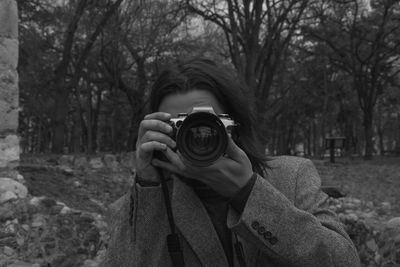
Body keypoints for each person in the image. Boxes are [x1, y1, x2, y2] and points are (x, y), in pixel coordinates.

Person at [101, 58, 360, 267]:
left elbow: (345, 261)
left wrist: (248, 193)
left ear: (234, 125)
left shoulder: (291, 177)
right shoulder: (150, 199)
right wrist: (147, 185)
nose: (195, 135)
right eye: (178, 127)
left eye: (206, 123)